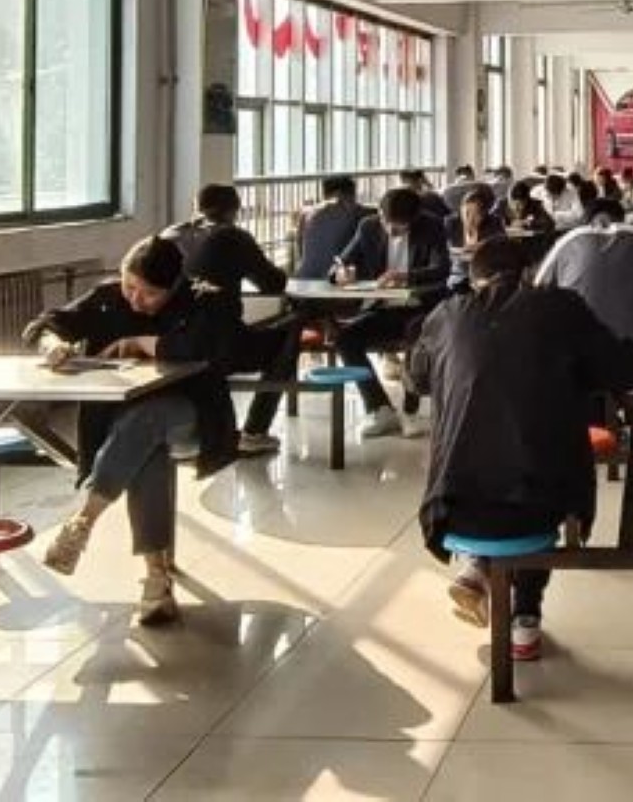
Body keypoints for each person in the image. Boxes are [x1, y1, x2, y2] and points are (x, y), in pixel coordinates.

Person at [413, 237, 633, 661]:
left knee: (486, 451)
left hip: (451, 503)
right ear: (529, 273)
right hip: (538, 501)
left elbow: (416, 379)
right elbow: (624, 371)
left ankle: (476, 566)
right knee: (534, 467)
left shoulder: (446, 315)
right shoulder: (560, 308)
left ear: (474, 280)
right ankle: (525, 617)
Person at [28, 236, 241, 626]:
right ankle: (156, 582)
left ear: (175, 286)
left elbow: (208, 345)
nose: (135, 300)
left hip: (193, 418)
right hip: (125, 428)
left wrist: (141, 341)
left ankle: (84, 520)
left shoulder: (205, 300)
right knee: (146, 448)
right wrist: (51, 344)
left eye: (150, 294)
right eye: (130, 286)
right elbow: (45, 324)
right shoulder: (108, 297)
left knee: (149, 419)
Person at [165, 185, 296, 455]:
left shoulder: (170, 235)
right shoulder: (232, 237)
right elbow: (272, 282)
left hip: (168, 344)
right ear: (234, 211)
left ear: (196, 206)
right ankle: (255, 431)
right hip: (220, 347)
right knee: (288, 333)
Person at [334, 188, 453, 438]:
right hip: (384, 308)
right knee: (344, 339)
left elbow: (442, 268)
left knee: (415, 334)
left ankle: (410, 412)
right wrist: (341, 274)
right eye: (385, 222)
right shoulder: (368, 226)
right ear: (379, 213)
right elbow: (340, 263)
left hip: (421, 308)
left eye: (399, 227)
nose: (390, 230)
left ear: (414, 219)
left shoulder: (431, 226)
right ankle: (380, 409)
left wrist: (405, 276)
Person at [534, 199, 633, 348]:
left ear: (586, 219)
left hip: (575, 345)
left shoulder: (569, 238)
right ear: (622, 219)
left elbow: (536, 289)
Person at [296, 175, 374, 279]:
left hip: (304, 277)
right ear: (340, 194)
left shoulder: (307, 214)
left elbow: (300, 247)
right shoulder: (352, 210)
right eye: (353, 194)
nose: (355, 199)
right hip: (334, 278)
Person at [445, 183, 507, 291]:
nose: (470, 219)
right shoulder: (450, 223)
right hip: (457, 273)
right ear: (461, 209)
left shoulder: (494, 222)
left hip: (485, 273)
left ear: (484, 214)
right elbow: (440, 247)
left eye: (476, 215)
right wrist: (455, 250)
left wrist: (484, 246)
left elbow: (503, 244)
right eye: (467, 213)